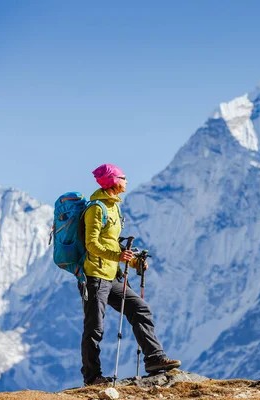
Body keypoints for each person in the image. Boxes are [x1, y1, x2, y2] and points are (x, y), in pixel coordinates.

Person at [81, 163, 180, 386]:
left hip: (111, 275)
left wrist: (133, 261)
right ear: (114, 181)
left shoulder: (114, 207)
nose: (127, 180)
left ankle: (154, 359)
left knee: (139, 308)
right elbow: (91, 244)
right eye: (123, 177)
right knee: (94, 327)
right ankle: (92, 377)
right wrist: (118, 257)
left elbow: (112, 243)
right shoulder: (96, 208)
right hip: (95, 276)